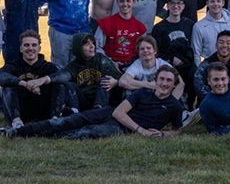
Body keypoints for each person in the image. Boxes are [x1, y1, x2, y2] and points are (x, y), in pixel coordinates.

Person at [1, 66, 184, 139]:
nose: (164, 84)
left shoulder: (174, 106)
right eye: (162, 79)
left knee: (84, 133)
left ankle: (42, 136)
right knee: (66, 121)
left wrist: (162, 134)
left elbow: (177, 131)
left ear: (174, 85)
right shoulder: (144, 92)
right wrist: (142, 131)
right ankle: (16, 132)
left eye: (169, 81)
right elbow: (118, 113)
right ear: (156, 80)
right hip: (110, 114)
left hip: (122, 129)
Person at [27, 33, 121, 112]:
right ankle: (74, 111)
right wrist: (43, 80)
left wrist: (116, 82)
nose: (92, 46)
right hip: (84, 98)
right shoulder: (74, 65)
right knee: (69, 85)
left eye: (93, 43)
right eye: (86, 44)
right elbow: (62, 76)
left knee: (106, 80)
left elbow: (120, 78)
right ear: (78, 48)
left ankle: (98, 110)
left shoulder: (101, 59)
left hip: (101, 98)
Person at [0, 30, 64, 128]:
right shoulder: (13, 66)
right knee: (8, 86)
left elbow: (64, 78)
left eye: (34, 45)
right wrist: (25, 84)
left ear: (39, 48)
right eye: (26, 45)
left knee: (59, 83)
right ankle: (17, 123)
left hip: (42, 110)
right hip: (19, 110)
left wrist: (42, 81)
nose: (30, 48)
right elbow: (2, 76)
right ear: (21, 48)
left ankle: (54, 120)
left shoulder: (48, 67)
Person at [151, 0, 197, 109]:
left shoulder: (190, 25)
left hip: (186, 63)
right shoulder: (159, 27)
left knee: (194, 72)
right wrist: (171, 59)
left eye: (179, 3)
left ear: (183, 6)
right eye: (172, 3)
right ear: (167, 6)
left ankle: (189, 106)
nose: (175, 6)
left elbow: (193, 47)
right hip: (167, 64)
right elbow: (156, 52)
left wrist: (184, 59)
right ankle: (165, 104)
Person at [95, 0, 146, 71]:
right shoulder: (106, 23)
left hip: (132, 67)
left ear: (134, 2)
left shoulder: (140, 27)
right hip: (109, 65)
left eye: (128, 1)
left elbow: (143, 51)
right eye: (122, 1)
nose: (125, 4)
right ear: (117, 2)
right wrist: (109, 62)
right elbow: (97, 47)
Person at [194, 30, 230, 103]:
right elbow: (198, 84)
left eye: (228, 43)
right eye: (221, 42)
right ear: (216, 45)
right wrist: (215, 100)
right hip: (210, 102)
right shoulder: (206, 64)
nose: (224, 45)